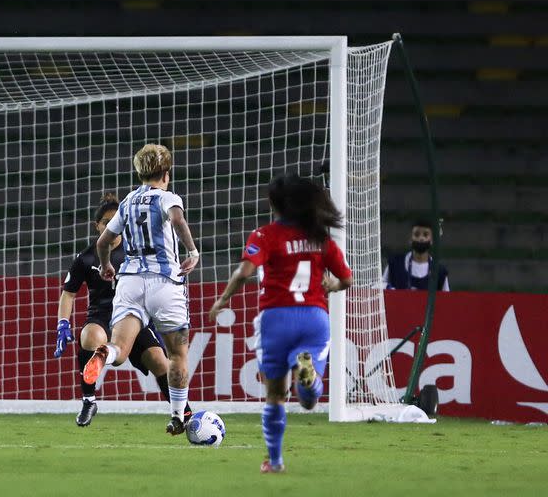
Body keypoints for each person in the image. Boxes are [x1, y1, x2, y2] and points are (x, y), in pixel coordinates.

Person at [208, 174, 353, 474]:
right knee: (310, 400)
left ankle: (275, 462)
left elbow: (243, 271)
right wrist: (331, 285)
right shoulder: (319, 238)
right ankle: (308, 376)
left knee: (275, 394)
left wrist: (223, 300)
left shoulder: (264, 236)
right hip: (314, 318)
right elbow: (347, 279)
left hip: (276, 319)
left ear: (274, 204)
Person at [82, 144, 200, 436]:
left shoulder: (127, 202)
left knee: (120, 350)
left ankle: (103, 354)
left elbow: (102, 243)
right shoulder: (167, 197)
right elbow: (177, 219)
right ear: (166, 174)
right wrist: (193, 250)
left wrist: (107, 265)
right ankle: (177, 416)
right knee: (177, 355)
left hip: (130, 281)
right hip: (164, 283)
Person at [54, 193, 192, 426]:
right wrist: (63, 323)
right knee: (90, 336)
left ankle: (183, 413)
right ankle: (89, 400)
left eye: (115, 221)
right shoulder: (86, 258)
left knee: (160, 361)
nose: (112, 226)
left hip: (133, 316)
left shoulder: (136, 251)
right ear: (96, 226)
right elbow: (68, 293)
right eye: (106, 223)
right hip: (102, 316)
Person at [383, 218, 450, 291]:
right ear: (410, 239)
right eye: (417, 234)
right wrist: (388, 287)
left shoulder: (439, 271)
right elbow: (380, 285)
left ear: (431, 240)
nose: (421, 238)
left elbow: (447, 298)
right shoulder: (395, 263)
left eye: (425, 235)